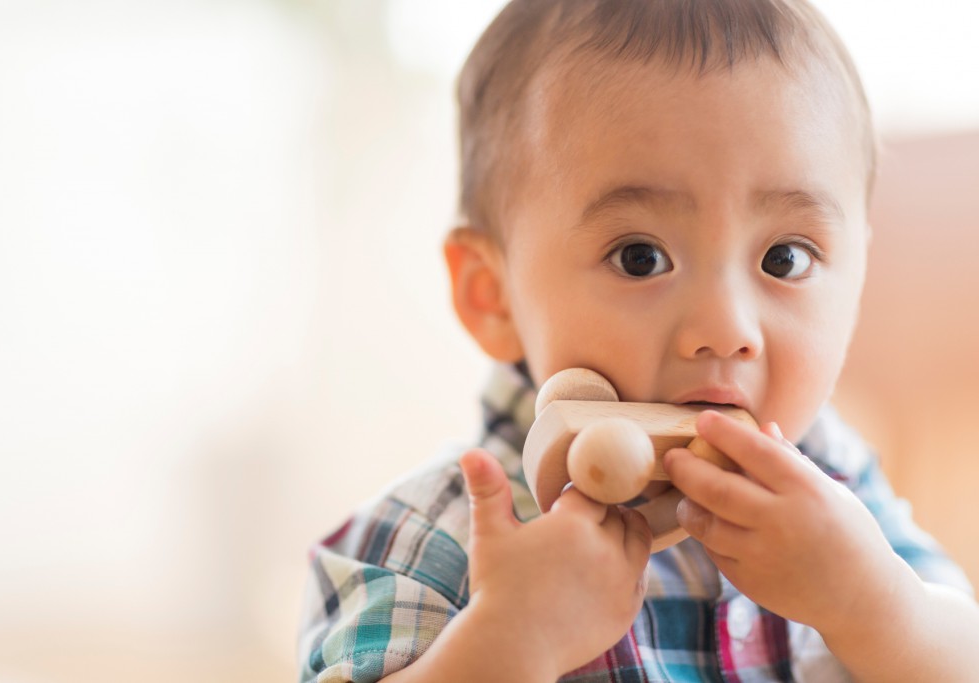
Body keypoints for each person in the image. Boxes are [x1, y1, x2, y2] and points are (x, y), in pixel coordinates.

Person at [299, 0, 979, 680]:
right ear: (492, 293)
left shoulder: (841, 494)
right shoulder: (441, 533)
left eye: (784, 259)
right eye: (639, 257)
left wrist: (873, 603)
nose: (726, 328)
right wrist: (510, 638)